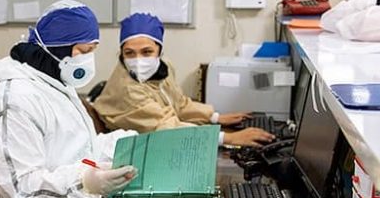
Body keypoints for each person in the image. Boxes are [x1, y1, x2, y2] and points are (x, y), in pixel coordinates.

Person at [0, 0, 137, 198]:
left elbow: (77, 147)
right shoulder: (15, 101)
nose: (88, 59)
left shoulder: (55, 83)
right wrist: (85, 182)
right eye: (85, 51)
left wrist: (128, 144)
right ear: (62, 51)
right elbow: (23, 190)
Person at [93, 13, 274, 147]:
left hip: (158, 132)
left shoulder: (163, 67)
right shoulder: (129, 90)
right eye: (129, 53)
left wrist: (214, 117)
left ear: (159, 51)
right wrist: (228, 138)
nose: (138, 60)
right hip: (133, 143)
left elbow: (178, 103)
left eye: (147, 52)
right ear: (121, 54)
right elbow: (165, 127)